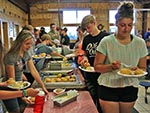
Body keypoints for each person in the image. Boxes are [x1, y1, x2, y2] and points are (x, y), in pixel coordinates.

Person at [94, 2, 147, 113]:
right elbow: (97, 67)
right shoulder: (106, 42)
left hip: (130, 87)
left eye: (129, 25)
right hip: (108, 87)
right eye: (122, 25)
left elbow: (143, 68)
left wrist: (136, 70)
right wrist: (111, 67)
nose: (126, 29)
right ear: (116, 23)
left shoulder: (140, 43)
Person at [1, 30, 49, 113]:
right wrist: (22, 95)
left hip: (19, 86)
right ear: (19, 42)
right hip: (8, 88)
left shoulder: (26, 54)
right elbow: (12, 80)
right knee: (15, 110)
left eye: (31, 44)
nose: (29, 46)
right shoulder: (11, 56)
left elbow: (33, 71)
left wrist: (42, 86)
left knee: (23, 108)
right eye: (27, 44)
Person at [80, 14, 109, 113]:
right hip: (90, 74)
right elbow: (85, 53)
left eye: (88, 27)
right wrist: (84, 58)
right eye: (85, 29)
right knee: (91, 101)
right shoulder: (86, 39)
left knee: (102, 102)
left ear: (95, 23)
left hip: (102, 75)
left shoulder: (106, 37)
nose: (87, 30)